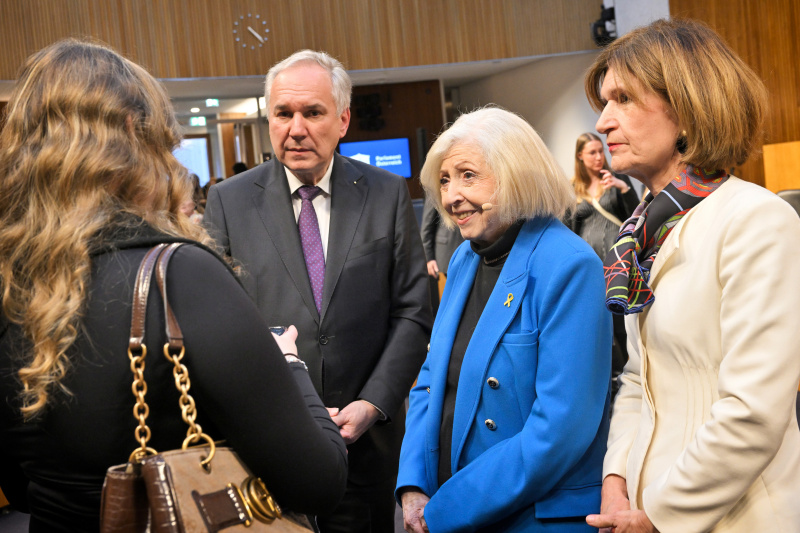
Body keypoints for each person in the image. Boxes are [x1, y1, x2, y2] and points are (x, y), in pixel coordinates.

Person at [0, 39, 347, 532]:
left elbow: (20, 483)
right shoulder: (179, 275)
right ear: (129, 133)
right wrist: (288, 363)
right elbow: (317, 481)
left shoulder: (13, 279)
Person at [583, 19, 800, 533]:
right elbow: (639, 378)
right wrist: (616, 478)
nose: (605, 123)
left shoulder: (755, 219)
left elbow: (753, 410)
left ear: (686, 107)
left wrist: (661, 514)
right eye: (604, 105)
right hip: (643, 504)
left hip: (737, 515)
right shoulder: (642, 232)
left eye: (623, 100)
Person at [204, 49, 432, 533]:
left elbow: (413, 311)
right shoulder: (228, 202)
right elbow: (217, 324)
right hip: (267, 445)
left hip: (364, 446)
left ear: (343, 119)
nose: (296, 128)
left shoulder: (387, 193)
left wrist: (373, 403)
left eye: (313, 112)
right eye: (283, 114)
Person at [396, 107, 612, 532]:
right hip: (447, 502)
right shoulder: (463, 259)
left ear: (516, 174)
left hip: (527, 516)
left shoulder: (569, 265)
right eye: (444, 179)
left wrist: (446, 509)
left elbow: (559, 430)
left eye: (467, 175)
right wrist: (414, 484)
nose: (451, 195)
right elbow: (430, 376)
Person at [568, 132, 639, 398]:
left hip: (620, 263)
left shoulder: (618, 180)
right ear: (580, 157)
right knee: (598, 323)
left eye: (601, 151)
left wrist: (624, 189)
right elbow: (569, 231)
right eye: (592, 153)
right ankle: (608, 378)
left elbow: (637, 216)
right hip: (592, 268)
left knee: (622, 321)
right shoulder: (573, 189)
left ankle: (633, 374)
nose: (599, 158)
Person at [420, 197, 464, 314]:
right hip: (445, 254)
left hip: (467, 249)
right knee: (447, 306)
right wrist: (429, 258)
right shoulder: (435, 190)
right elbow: (426, 228)